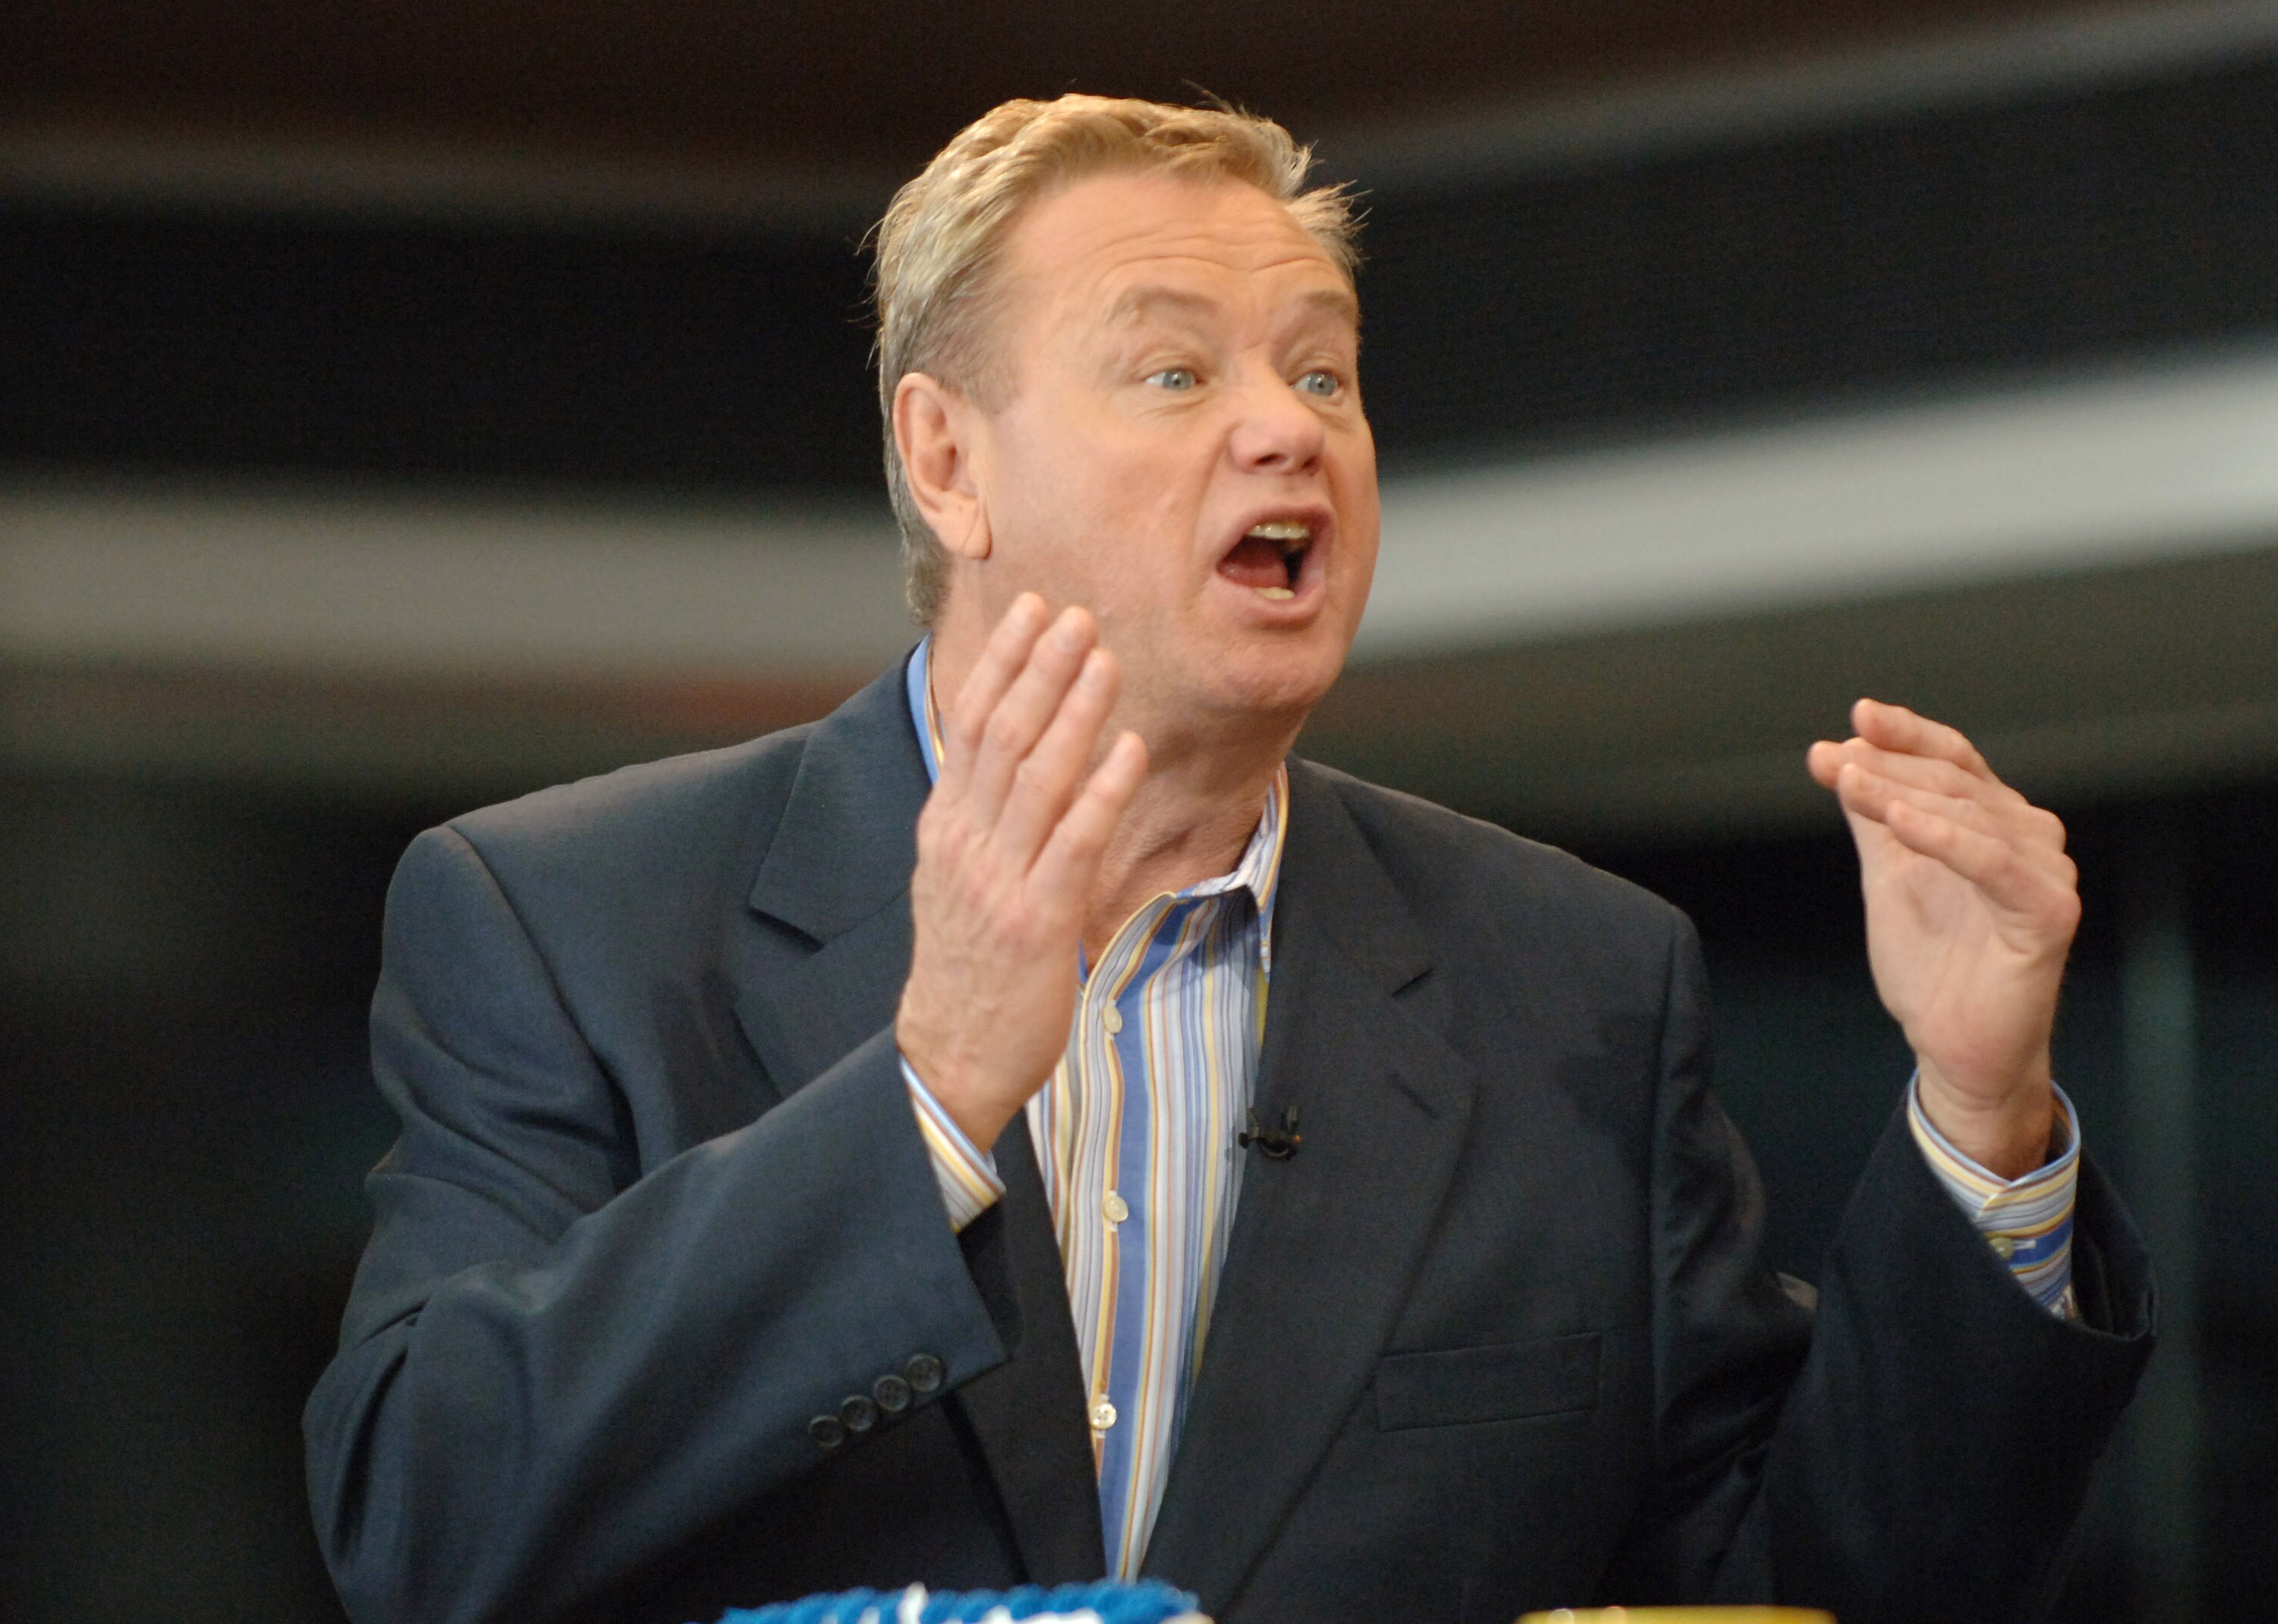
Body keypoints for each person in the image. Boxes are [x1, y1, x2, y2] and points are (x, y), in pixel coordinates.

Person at [304, 96, 2152, 1624]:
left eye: (1325, 372)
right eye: (1176, 369)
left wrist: (1981, 1115)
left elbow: (1807, 1589)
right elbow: (425, 1524)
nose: (1288, 428)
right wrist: (928, 1097)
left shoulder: (1576, 980)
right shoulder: (572, 919)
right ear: (948, 461)